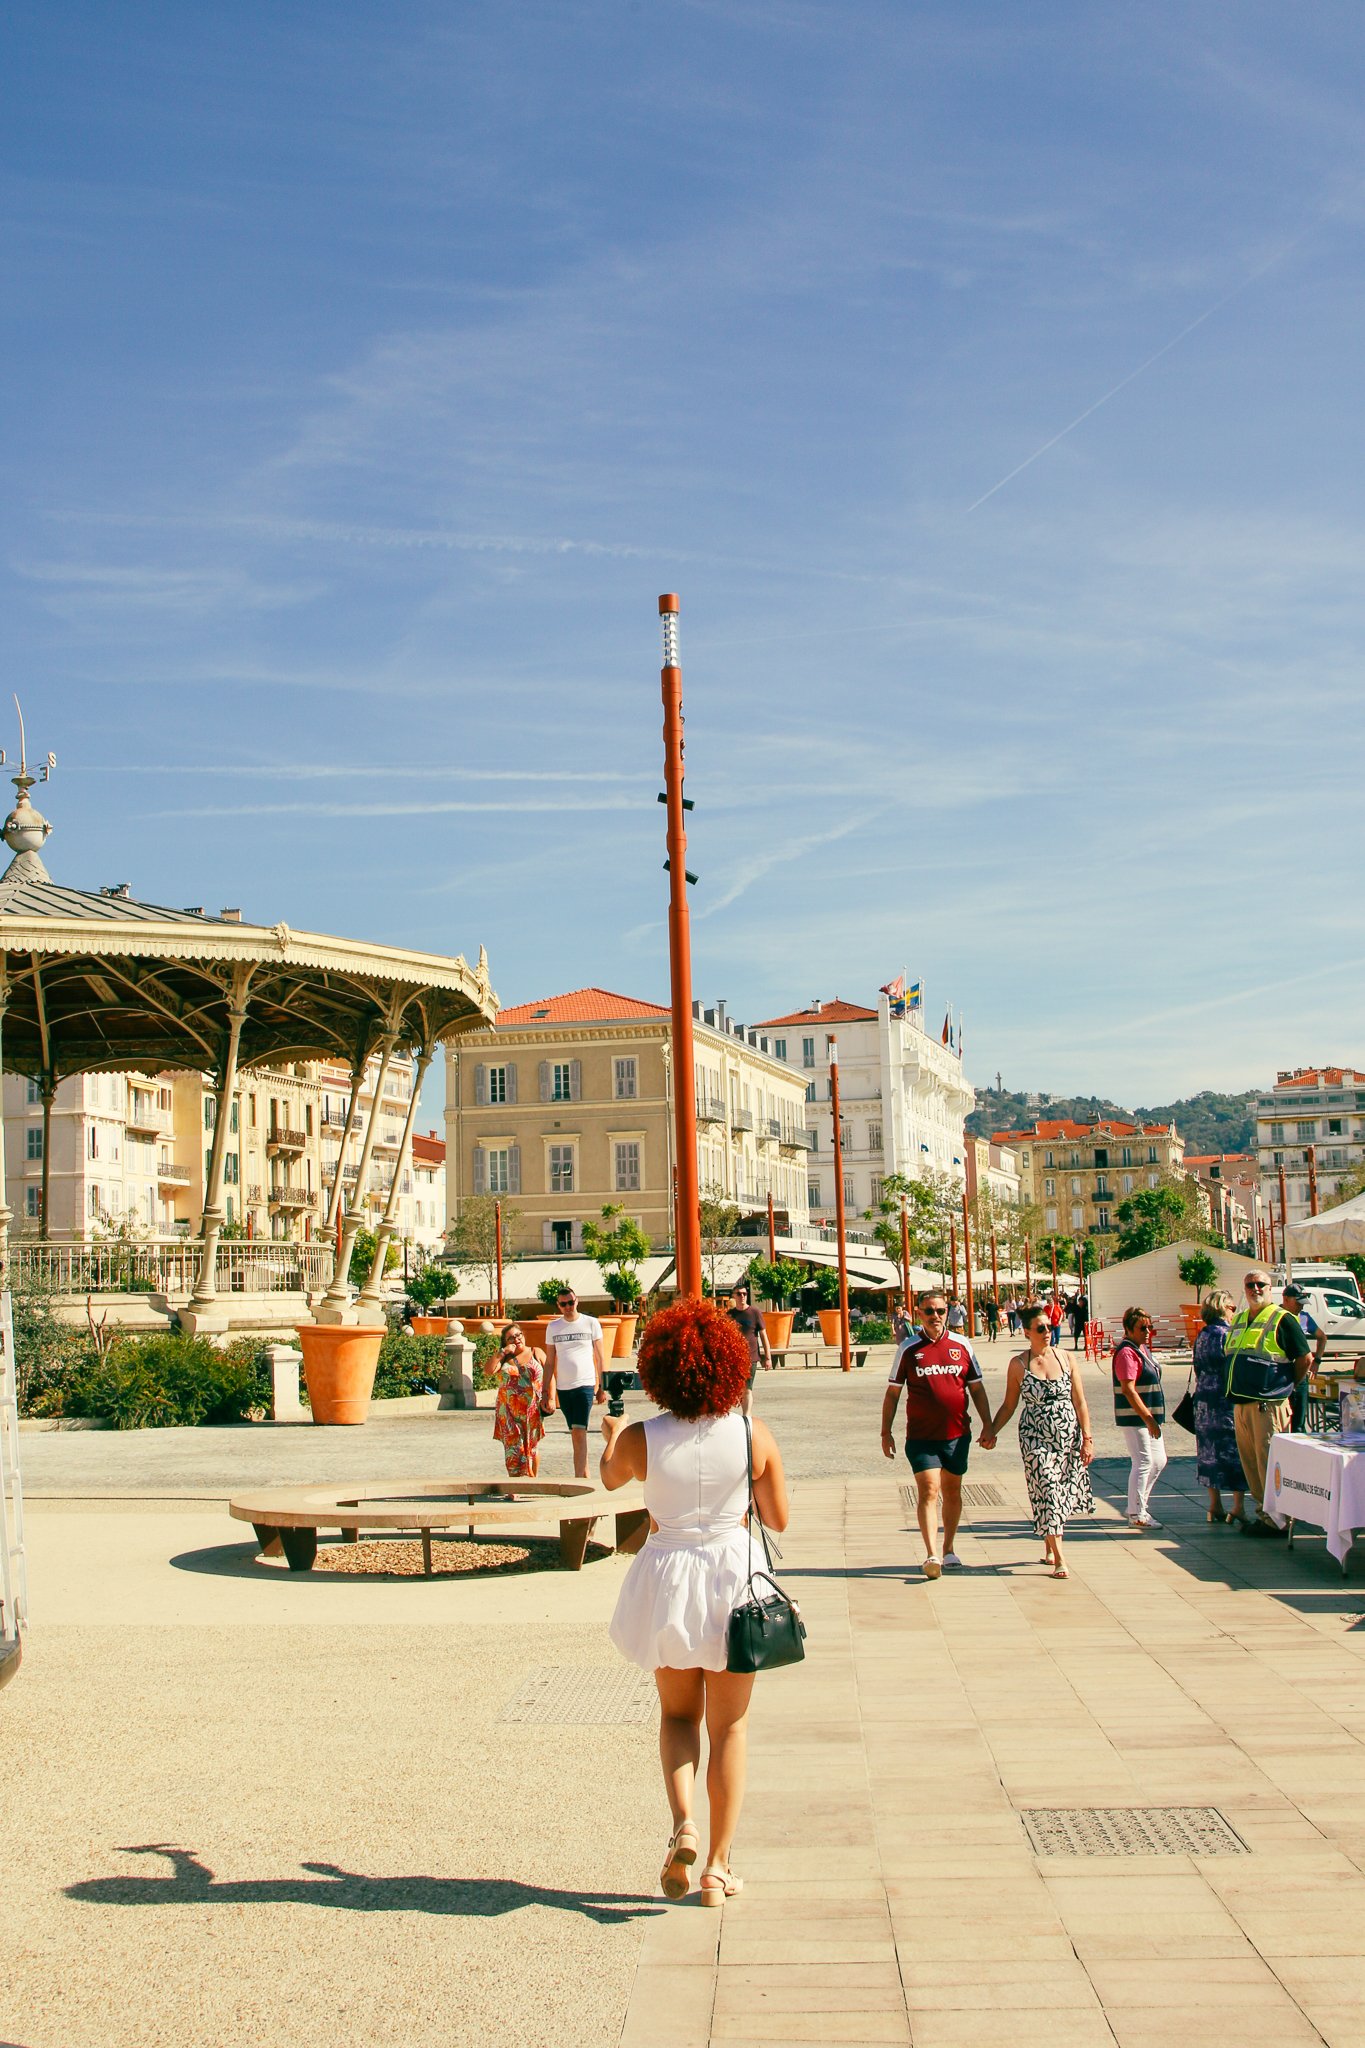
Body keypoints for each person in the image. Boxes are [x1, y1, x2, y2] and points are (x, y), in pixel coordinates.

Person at [602, 1298, 789, 1908]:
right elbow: (778, 1520)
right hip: (734, 1575)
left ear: (660, 1369)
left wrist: (611, 1438)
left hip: (670, 1577)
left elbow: (609, 1478)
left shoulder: (643, 1437)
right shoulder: (751, 1433)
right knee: (730, 1725)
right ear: (731, 1367)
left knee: (678, 1717)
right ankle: (717, 1867)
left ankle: (683, 1823)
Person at [880, 1291, 993, 1578]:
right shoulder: (908, 1348)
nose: (936, 1317)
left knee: (952, 1490)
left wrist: (988, 1425)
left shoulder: (961, 1345)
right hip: (921, 1437)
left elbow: (977, 1389)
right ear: (918, 1314)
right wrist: (886, 1431)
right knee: (929, 1490)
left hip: (957, 1434)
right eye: (929, 1311)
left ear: (948, 1312)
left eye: (941, 1311)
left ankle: (949, 1548)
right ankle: (931, 1554)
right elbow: (893, 1393)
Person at [982, 1301, 1094, 1577]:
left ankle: (1048, 1542)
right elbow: (1009, 1405)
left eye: (1050, 1326)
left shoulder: (1066, 1358)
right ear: (1027, 1332)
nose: (1047, 1331)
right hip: (1035, 1438)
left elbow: (1080, 1402)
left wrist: (1087, 1438)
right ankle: (1060, 1558)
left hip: (1067, 1439)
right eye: (1041, 1328)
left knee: (1061, 1493)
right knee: (1047, 1489)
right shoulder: (1018, 1364)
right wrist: (991, 1430)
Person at [1225, 1271, 1311, 1534]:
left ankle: (1278, 1519)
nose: (1254, 1288)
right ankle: (1265, 1514)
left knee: (1270, 1464)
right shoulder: (1239, 1319)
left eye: (1260, 1284)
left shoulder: (1282, 1319)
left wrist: (1285, 1388)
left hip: (1267, 1405)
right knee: (1252, 1465)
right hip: (1241, 1406)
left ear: (1271, 1288)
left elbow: (1304, 1359)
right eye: (1249, 1284)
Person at [1191, 1293, 1245, 1525]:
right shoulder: (1228, 1335)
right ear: (1223, 1309)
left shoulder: (1202, 1335)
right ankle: (1238, 1506)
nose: (1234, 1312)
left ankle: (1215, 1506)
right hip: (1225, 1398)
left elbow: (1197, 1366)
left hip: (1203, 1398)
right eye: (1232, 1307)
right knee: (1234, 1451)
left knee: (1209, 1453)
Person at [1112, 1306, 1167, 1530]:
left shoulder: (1141, 1348)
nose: (1147, 1332)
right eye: (1142, 1328)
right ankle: (1137, 1513)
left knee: (1159, 1460)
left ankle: (1136, 1504)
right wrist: (1148, 1418)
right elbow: (1128, 1389)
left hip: (1147, 1416)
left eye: (1150, 1327)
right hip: (1135, 1417)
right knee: (1143, 1462)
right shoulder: (1127, 1352)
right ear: (1128, 1329)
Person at [543, 1287, 606, 1480]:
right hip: (564, 1388)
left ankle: (579, 1479)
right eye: (564, 1304)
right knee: (575, 1433)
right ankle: (584, 1474)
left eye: (571, 1302)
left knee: (579, 1431)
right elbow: (550, 1361)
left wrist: (602, 1386)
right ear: (558, 1306)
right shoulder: (553, 1327)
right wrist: (546, 1392)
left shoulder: (591, 1323)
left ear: (577, 1301)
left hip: (585, 1385)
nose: (568, 1307)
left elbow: (600, 1357)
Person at [491, 1323, 546, 1478]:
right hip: (507, 1410)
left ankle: (533, 1481)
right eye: (510, 1338)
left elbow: (550, 1375)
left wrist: (551, 1398)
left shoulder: (536, 1352)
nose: (516, 1339)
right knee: (513, 1448)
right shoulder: (504, 1359)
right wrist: (502, 1353)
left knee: (532, 1447)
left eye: (518, 1335)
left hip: (532, 1408)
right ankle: (514, 1485)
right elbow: (488, 1370)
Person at [1281, 1283, 1327, 1432]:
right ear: (1286, 1299)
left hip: (1300, 1375)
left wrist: (1317, 1361)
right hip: (1280, 1375)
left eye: (1303, 1304)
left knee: (1299, 1424)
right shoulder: (1274, 1315)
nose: (1301, 1307)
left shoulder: (1304, 1317)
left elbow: (1322, 1337)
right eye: (1298, 1303)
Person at [726, 1282, 772, 1417]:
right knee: (733, 1388)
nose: (742, 1296)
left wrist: (768, 1358)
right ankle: (727, 1414)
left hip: (750, 1357)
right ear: (733, 1296)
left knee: (747, 1388)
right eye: (739, 1294)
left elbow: (763, 1335)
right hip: (733, 1358)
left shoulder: (754, 1312)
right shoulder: (729, 1315)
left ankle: (746, 1415)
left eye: (744, 1294)